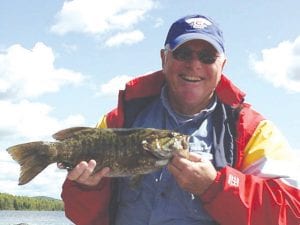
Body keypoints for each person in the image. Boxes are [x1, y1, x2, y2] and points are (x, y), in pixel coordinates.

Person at [61, 14, 300, 225]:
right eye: (183, 53)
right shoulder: (119, 120)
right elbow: (81, 216)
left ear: (222, 65)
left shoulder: (253, 130)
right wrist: (85, 187)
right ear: (164, 58)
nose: (194, 64)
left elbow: (292, 212)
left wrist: (216, 187)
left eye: (207, 56)